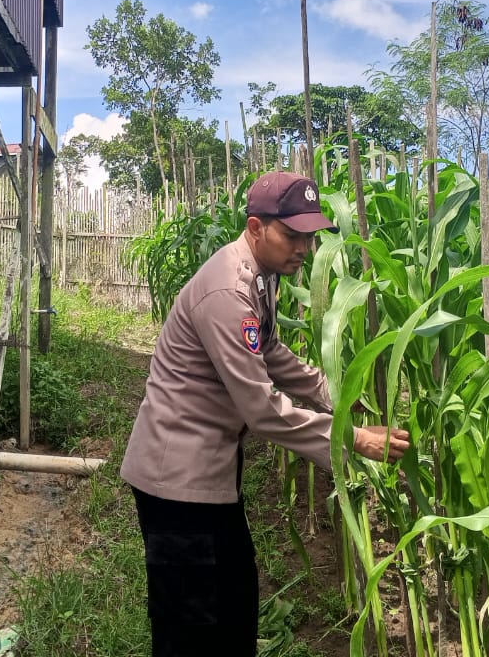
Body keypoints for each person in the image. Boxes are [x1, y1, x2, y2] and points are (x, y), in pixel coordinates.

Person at [120, 170, 410, 656]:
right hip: (176, 482)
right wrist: (353, 438)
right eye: (293, 235)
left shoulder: (262, 276)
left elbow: (270, 351)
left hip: (211, 474)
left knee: (236, 606)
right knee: (189, 627)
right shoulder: (227, 292)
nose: (304, 249)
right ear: (256, 227)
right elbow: (263, 410)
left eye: (310, 237)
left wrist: (338, 396)